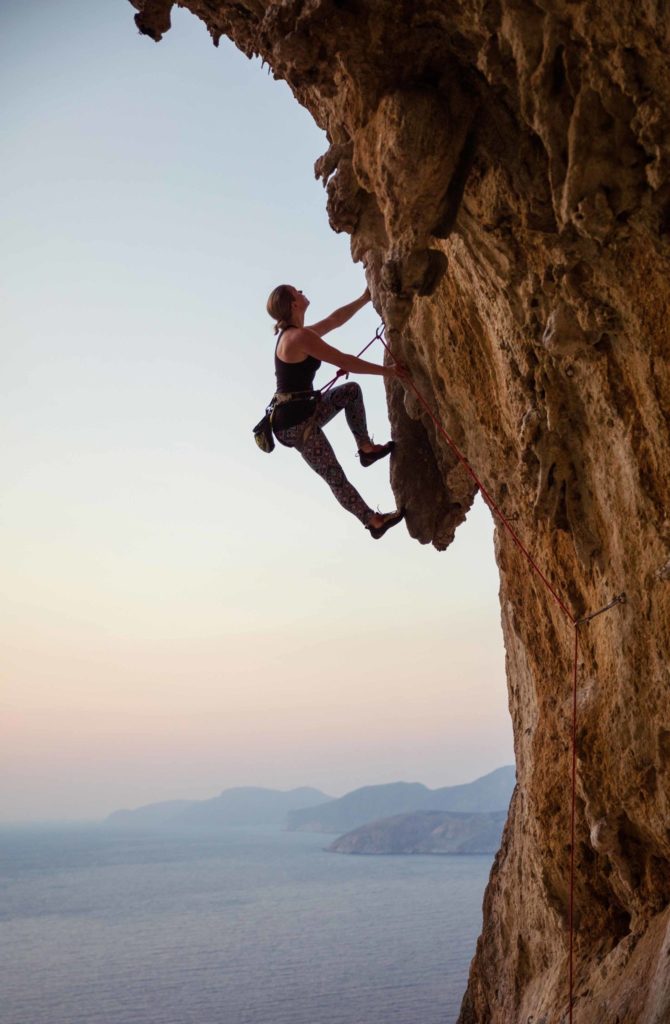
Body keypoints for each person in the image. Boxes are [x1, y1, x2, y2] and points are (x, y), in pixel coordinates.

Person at [266, 283, 407, 539]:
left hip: (305, 411)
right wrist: (388, 372)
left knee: (349, 391)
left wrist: (364, 298)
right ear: (293, 303)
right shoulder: (297, 338)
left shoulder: (299, 333)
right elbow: (345, 361)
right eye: (296, 291)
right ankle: (372, 521)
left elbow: (335, 320)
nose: (301, 290)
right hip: (293, 426)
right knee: (334, 474)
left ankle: (366, 448)